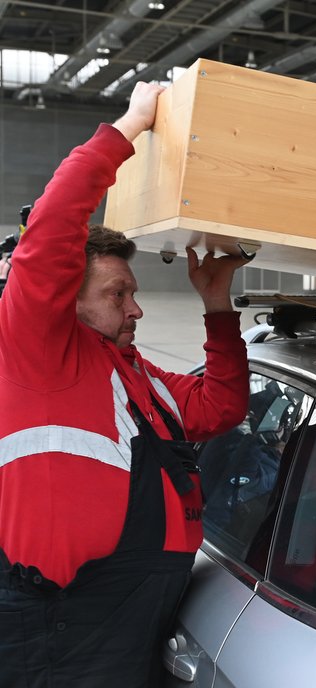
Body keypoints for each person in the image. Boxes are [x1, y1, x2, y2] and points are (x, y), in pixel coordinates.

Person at [0, 82, 251, 687]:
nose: (136, 310)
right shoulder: (40, 351)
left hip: (129, 621)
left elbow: (220, 406)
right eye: (119, 295)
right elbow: (57, 222)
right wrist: (132, 124)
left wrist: (217, 304)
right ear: (67, 301)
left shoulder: (133, 374)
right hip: (59, 631)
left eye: (135, 295)